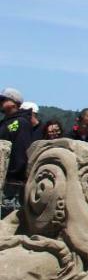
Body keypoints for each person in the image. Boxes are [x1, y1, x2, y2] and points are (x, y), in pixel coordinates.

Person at [1, 87, 36, 218]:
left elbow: (22, 150)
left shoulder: (21, 122)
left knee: (7, 216)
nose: (0, 102)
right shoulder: (6, 122)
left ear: (13, 102)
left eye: (3, 99)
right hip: (4, 177)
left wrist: (14, 174)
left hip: (12, 181)